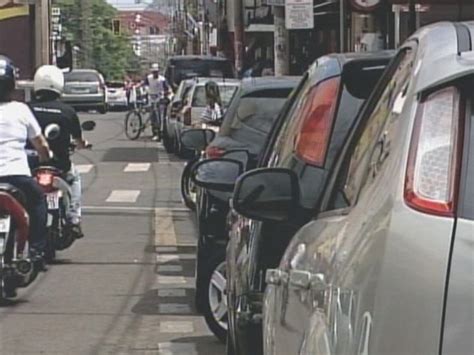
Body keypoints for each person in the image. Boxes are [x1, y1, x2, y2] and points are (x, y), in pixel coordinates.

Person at [0, 55, 50, 272]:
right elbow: (41, 145)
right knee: (39, 201)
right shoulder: (21, 110)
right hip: (17, 177)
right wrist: (45, 158)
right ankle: (37, 252)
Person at [28, 65, 89, 239]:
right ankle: (73, 218)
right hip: (58, 164)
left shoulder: (26, 108)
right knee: (75, 178)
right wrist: (84, 144)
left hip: (32, 162)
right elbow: (78, 140)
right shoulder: (67, 111)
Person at [143, 63, 170, 141]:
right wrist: (147, 91)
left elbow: (167, 88)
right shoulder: (149, 78)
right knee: (153, 117)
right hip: (151, 97)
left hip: (160, 98)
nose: (155, 73)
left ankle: (159, 133)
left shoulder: (162, 79)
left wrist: (165, 94)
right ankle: (154, 133)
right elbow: (145, 86)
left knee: (159, 117)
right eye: (154, 72)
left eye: (156, 72)